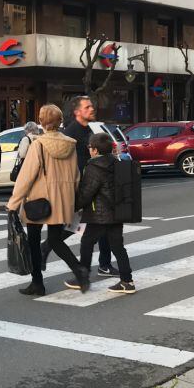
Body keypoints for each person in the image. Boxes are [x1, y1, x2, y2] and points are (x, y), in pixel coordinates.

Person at [7, 103, 90, 296]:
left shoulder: (38, 145)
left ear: (43, 122)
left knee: (34, 242)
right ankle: (79, 270)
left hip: (38, 200)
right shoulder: (70, 144)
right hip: (62, 199)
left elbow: (26, 177)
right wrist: (75, 199)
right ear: (60, 121)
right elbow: (76, 175)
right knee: (55, 239)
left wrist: (13, 203)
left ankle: (38, 283)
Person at [74, 132, 136, 294]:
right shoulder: (117, 162)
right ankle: (127, 281)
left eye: (89, 147)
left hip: (99, 214)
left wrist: (74, 206)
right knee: (118, 247)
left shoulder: (94, 167)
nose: (88, 150)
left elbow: (87, 193)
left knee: (87, 243)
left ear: (95, 150)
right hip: (117, 212)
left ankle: (83, 277)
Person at [63, 95, 115, 277]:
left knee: (100, 225)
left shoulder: (87, 130)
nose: (92, 109)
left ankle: (104, 264)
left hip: (92, 184)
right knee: (82, 227)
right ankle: (46, 248)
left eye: (91, 106)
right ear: (77, 112)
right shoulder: (70, 133)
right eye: (87, 107)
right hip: (83, 187)